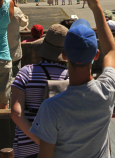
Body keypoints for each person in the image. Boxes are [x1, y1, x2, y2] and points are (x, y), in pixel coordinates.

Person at [30, 0, 115, 158]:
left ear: (64, 56)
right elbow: (111, 50)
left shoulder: (51, 108)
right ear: (96, 55)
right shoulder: (107, 90)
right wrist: (97, 7)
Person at [11, 25, 69, 158]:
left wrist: (39, 140)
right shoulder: (71, 76)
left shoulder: (26, 72)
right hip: (61, 147)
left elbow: (16, 113)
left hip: (28, 145)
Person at [8, 6, 27, 76]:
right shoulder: (14, 10)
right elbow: (24, 23)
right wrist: (16, 6)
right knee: (16, 78)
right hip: (14, 52)